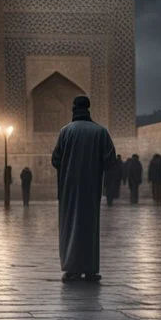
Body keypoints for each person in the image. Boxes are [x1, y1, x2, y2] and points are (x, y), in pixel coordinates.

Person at [52, 95, 115, 282]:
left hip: (69, 189)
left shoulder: (66, 131)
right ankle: (90, 269)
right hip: (91, 188)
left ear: (73, 109)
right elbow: (110, 160)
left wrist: (69, 168)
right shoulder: (100, 132)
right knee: (89, 227)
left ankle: (71, 269)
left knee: (70, 225)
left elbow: (56, 160)